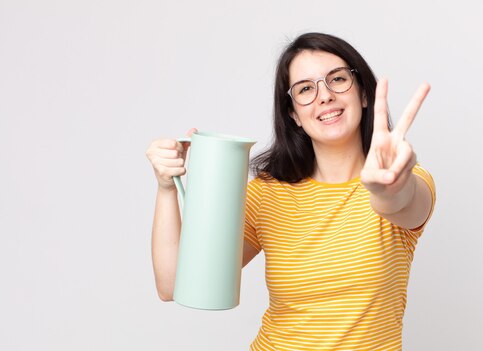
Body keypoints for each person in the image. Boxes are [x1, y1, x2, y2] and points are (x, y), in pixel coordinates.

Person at [146, 32, 436, 350]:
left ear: (364, 94)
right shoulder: (266, 195)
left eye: (338, 79)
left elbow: (400, 202)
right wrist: (166, 188)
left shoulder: (406, 180)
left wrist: (389, 185)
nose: (324, 96)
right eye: (305, 89)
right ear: (293, 114)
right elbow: (173, 284)